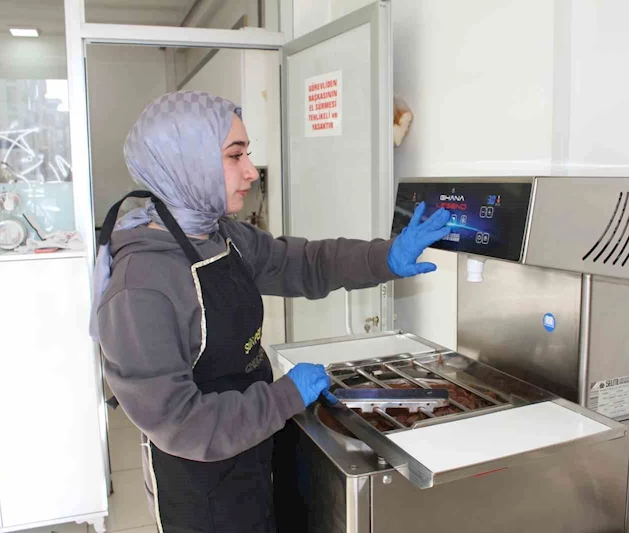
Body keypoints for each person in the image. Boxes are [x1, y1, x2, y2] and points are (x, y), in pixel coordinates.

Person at [89, 91, 450, 533]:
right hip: (199, 483)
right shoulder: (141, 287)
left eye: (247, 154)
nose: (250, 172)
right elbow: (181, 423)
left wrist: (384, 257)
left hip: (254, 441)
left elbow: (302, 262)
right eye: (234, 155)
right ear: (185, 163)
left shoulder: (220, 235)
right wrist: (284, 397)